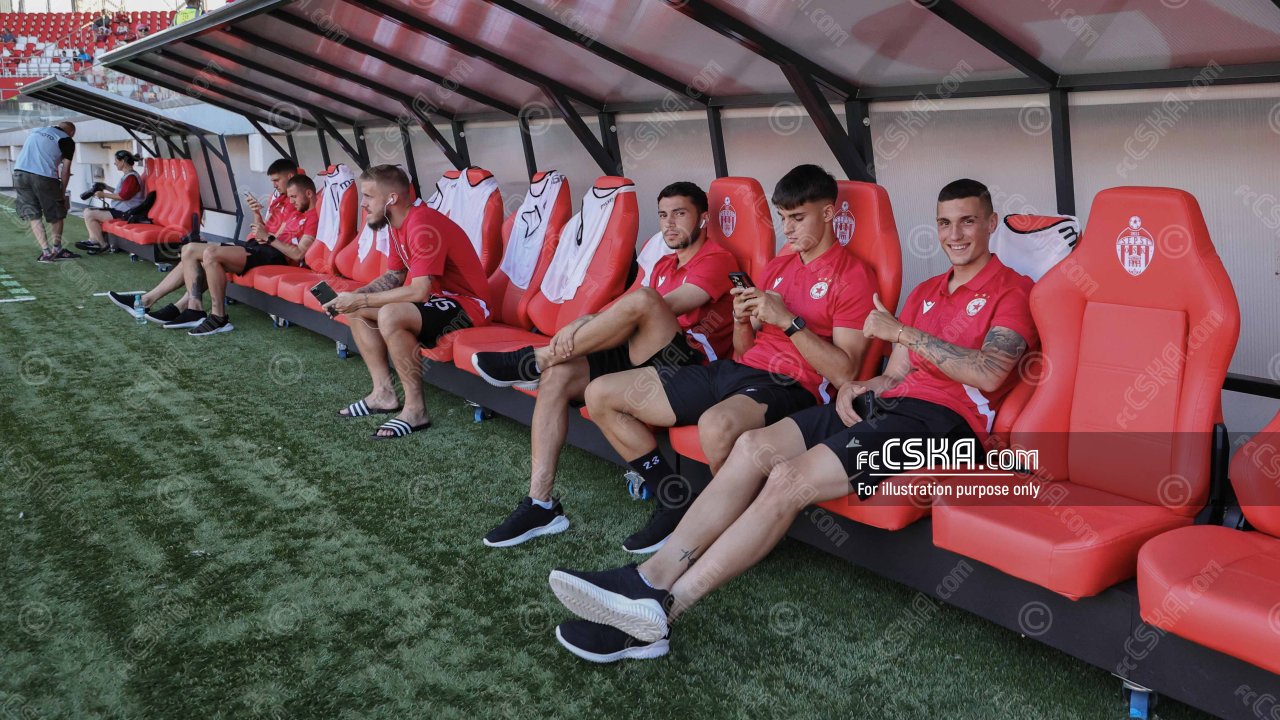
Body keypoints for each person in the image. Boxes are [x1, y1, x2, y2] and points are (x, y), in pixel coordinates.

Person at [546, 179, 1039, 663]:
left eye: (967, 222)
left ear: (990, 224)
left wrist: (903, 333)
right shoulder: (927, 291)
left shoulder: (1013, 290)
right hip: (887, 407)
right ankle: (648, 578)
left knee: (787, 479)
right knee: (750, 448)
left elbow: (991, 372)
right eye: (945, 223)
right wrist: (860, 387)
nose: (954, 234)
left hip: (945, 426)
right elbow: (894, 375)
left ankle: (663, 613)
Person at [579, 164, 877, 553]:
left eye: (798, 218)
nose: (787, 229)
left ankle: (736, 532)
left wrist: (788, 321)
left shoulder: (853, 275)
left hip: (792, 384)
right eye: (783, 218)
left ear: (828, 213)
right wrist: (740, 319)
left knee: (716, 425)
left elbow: (845, 371)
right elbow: (743, 349)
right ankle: (672, 497)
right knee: (600, 394)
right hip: (736, 371)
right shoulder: (779, 266)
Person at [471, 182, 740, 548]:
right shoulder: (663, 264)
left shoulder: (718, 259)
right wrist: (582, 321)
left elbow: (666, 306)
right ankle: (540, 504)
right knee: (559, 377)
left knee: (645, 300)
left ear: (703, 218)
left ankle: (537, 359)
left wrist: (581, 328)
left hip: (689, 365)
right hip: (644, 353)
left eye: (680, 214)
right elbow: (620, 307)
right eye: (663, 215)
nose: (669, 224)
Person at [325, 164, 492, 440]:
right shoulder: (396, 223)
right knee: (356, 309)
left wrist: (361, 297)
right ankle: (383, 394)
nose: (363, 204)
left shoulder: (422, 223)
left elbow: (419, 291)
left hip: (469, 305)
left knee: (390, 314)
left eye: (368, 196)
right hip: (439, 301)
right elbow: (395, 275)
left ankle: (416, 411)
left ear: (391, 198)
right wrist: (351, 299)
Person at [107, 158, 301, 329]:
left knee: (194, 250)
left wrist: (267, 236)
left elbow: (277, 240)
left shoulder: (298, 201)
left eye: (276, 180)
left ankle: (189, 308)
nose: (274, 185)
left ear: (290, 176)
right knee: (191, 253)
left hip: (271, 254)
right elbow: (263, 233)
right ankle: (172, 304)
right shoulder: (279, 199)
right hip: (258, 247)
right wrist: (257, 213)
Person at [187, 173, 320, 336]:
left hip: (275, 256)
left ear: (308, 194)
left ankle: (217, 317)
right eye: (290, 197)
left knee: (211, 254)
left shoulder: (313, 218)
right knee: (191, 250)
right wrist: (258, 217)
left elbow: (298, 254)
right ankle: (190, 308)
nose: (291, 201)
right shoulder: (295, 212)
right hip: (263, 248)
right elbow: (273, 235)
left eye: (294, 197)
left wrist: (269, 238)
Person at [14, 121, 77, 263]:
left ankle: (45, 253)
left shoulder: (37, 130)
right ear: (72, 132)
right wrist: (62, 192)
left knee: (33, 215)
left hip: (19, 174)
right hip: (43, 176)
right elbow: (65, 170)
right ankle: (57, 249)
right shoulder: (66, 139)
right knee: (56, 214)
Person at [76, 150, 143, 255]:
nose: (115, 163)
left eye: (116, 160)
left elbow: (123, 196)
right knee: (87, 211)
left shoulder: (131, 177)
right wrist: (106, 187)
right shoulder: (129, 176)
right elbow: (121, 193)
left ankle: (103, 245)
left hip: (127, 213)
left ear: (123, 161)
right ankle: (94, 241)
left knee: (89, 214)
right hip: (122, 210)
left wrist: (104, 195)